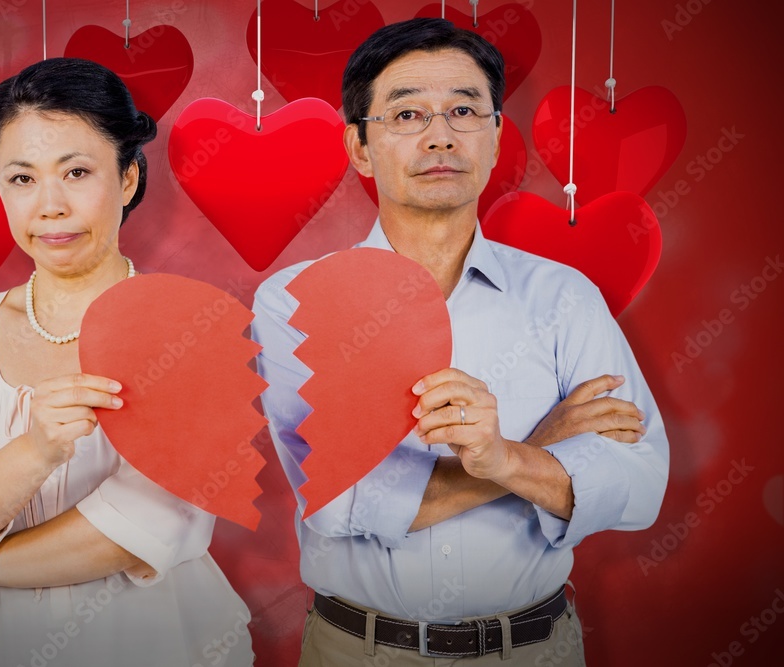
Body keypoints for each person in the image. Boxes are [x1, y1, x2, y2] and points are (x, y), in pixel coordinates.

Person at [251, 18, 669, 666]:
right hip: (359, 650)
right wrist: (535, 452)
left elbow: (640, 484)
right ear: (359, 146)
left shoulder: (564, 298)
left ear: (497, 136)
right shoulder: (294, 301)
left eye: (464, 110)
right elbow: (336, 504)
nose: (440, 135)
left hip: (534, 648)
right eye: (408, 113)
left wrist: (503, 456)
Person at [0, 58, 253, 667]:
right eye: (21, 178)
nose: (50, 206)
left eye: (78, 172)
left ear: (129, 180)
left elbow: (151, 524)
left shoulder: (192, 327)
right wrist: (36, 450)